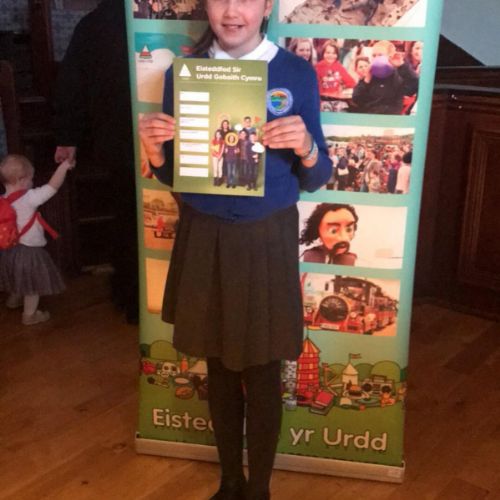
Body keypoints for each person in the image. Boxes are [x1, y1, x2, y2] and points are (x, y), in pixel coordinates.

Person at [138, 0, 332, 496]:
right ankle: (229, 482)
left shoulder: (295, 73)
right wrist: (156, 153)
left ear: (266, 6)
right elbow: (178, 175)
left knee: (264, 370)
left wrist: (307, 146)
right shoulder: (184, 74)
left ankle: (258, 488)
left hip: (266, 236)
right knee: (219, 366)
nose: (231, 11)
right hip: (205, 234)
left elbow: (317, 177)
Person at [52, 0, 138, 323]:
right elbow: (72, 85)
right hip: (145, 141)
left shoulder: (93, 23)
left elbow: (71, 85)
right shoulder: (98, 23)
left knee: (127, 219)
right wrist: (68, 136)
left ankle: (129, 298)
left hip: (118, 142)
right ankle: (140, 298)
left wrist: (68, 137)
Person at [0, 155, 74, 325]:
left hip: (8, 250)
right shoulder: (29, 198)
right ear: (21, 180)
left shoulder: (2, 200)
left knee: (17, 275)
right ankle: (30, 315)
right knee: (32, 283)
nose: (32, 182)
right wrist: (63, 167)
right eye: (31, 178)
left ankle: (14, 300)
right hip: (29, 251)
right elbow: (52, 186)